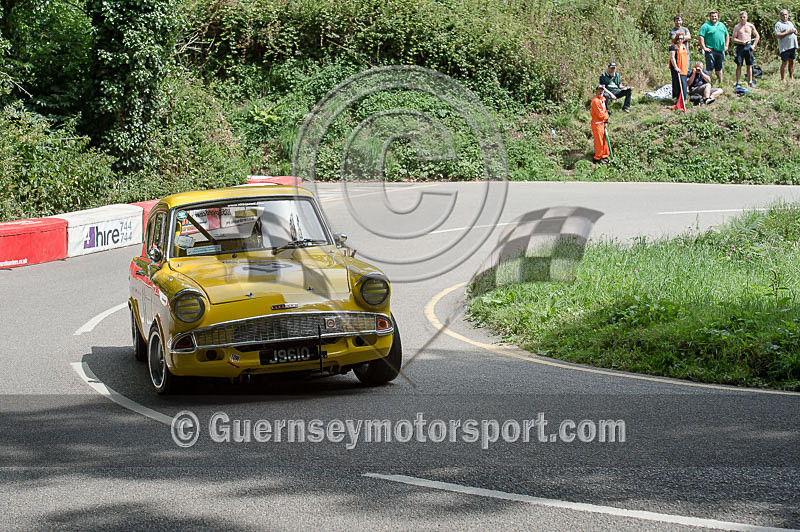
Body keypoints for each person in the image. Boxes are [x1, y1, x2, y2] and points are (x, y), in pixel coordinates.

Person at [698, 10, 730, 84]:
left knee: (719, 68)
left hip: (720, 50)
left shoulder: (722, 25)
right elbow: (701, 36)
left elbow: (727, 35)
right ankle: (708, 83)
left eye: (715, 16)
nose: (714, 18)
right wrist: (704, 47)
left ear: (717, 16)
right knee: (710, 68)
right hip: (710, 51)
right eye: (712, 16)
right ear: (710, 17)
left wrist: (726, 45)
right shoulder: (706, 26)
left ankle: (720, 83)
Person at [732, 11, 760, 87]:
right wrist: (741, 42)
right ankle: (738, 82)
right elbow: (733, 39)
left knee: (749, 65)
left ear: (746, 17)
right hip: (740, 47)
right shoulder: (737, 27)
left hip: (748, 46)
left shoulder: (750, 26)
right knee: (739, 65)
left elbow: (757, 36)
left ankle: (750, 81)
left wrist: (754, 45)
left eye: (744, 17)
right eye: (741, 17)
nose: (742, 19)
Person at [775, 9, 798, 82]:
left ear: (788, 15)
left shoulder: (790, 23)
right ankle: (783, 79)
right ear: (780, 16)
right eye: (783, 15)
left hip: (792, 45)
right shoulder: (778, 24)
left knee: (791, 62)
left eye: (786, 14)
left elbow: (794, 30)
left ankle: (791, 77)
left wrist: (795, 31)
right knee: (784, 62)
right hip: (785, 47)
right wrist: (788, 32)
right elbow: (777, 35)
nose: (784, 16)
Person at [669, 32, 689, 109]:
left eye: (681, 39)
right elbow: (672, 57)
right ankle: (677, 99)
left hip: (684, 68)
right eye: (678, 39)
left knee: (684, 83)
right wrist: (676, 67)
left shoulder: (684, 46)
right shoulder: (673, 47)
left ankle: (684, 99)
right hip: (677, 68)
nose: (680, 40)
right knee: (677, 83)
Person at [590, 85, 610, 163]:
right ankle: (598, 158)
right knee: (599, 142)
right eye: (599, 90)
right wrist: (606, 117)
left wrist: (606, 121)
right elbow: (600, 114)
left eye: (602, 90)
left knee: (604, 140)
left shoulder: (603, 100)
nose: (600, 91)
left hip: (602, 123)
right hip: (597, 124)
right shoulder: (595, 101)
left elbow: (605, 111)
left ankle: (604, 156)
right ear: (596, 91)